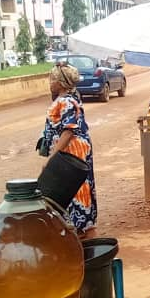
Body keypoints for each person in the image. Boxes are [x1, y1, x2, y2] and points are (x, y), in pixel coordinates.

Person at [42, 62, 97, 235]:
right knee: (75, 191)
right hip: (71, 152)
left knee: (76, 192)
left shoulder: (66, 102)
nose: (50, 83)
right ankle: (81, 234)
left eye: (53, 79)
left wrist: (51, 158)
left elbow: (68, 132)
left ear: (61, 83)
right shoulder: (68, 99)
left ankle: (84, 236)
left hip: (72, 154)